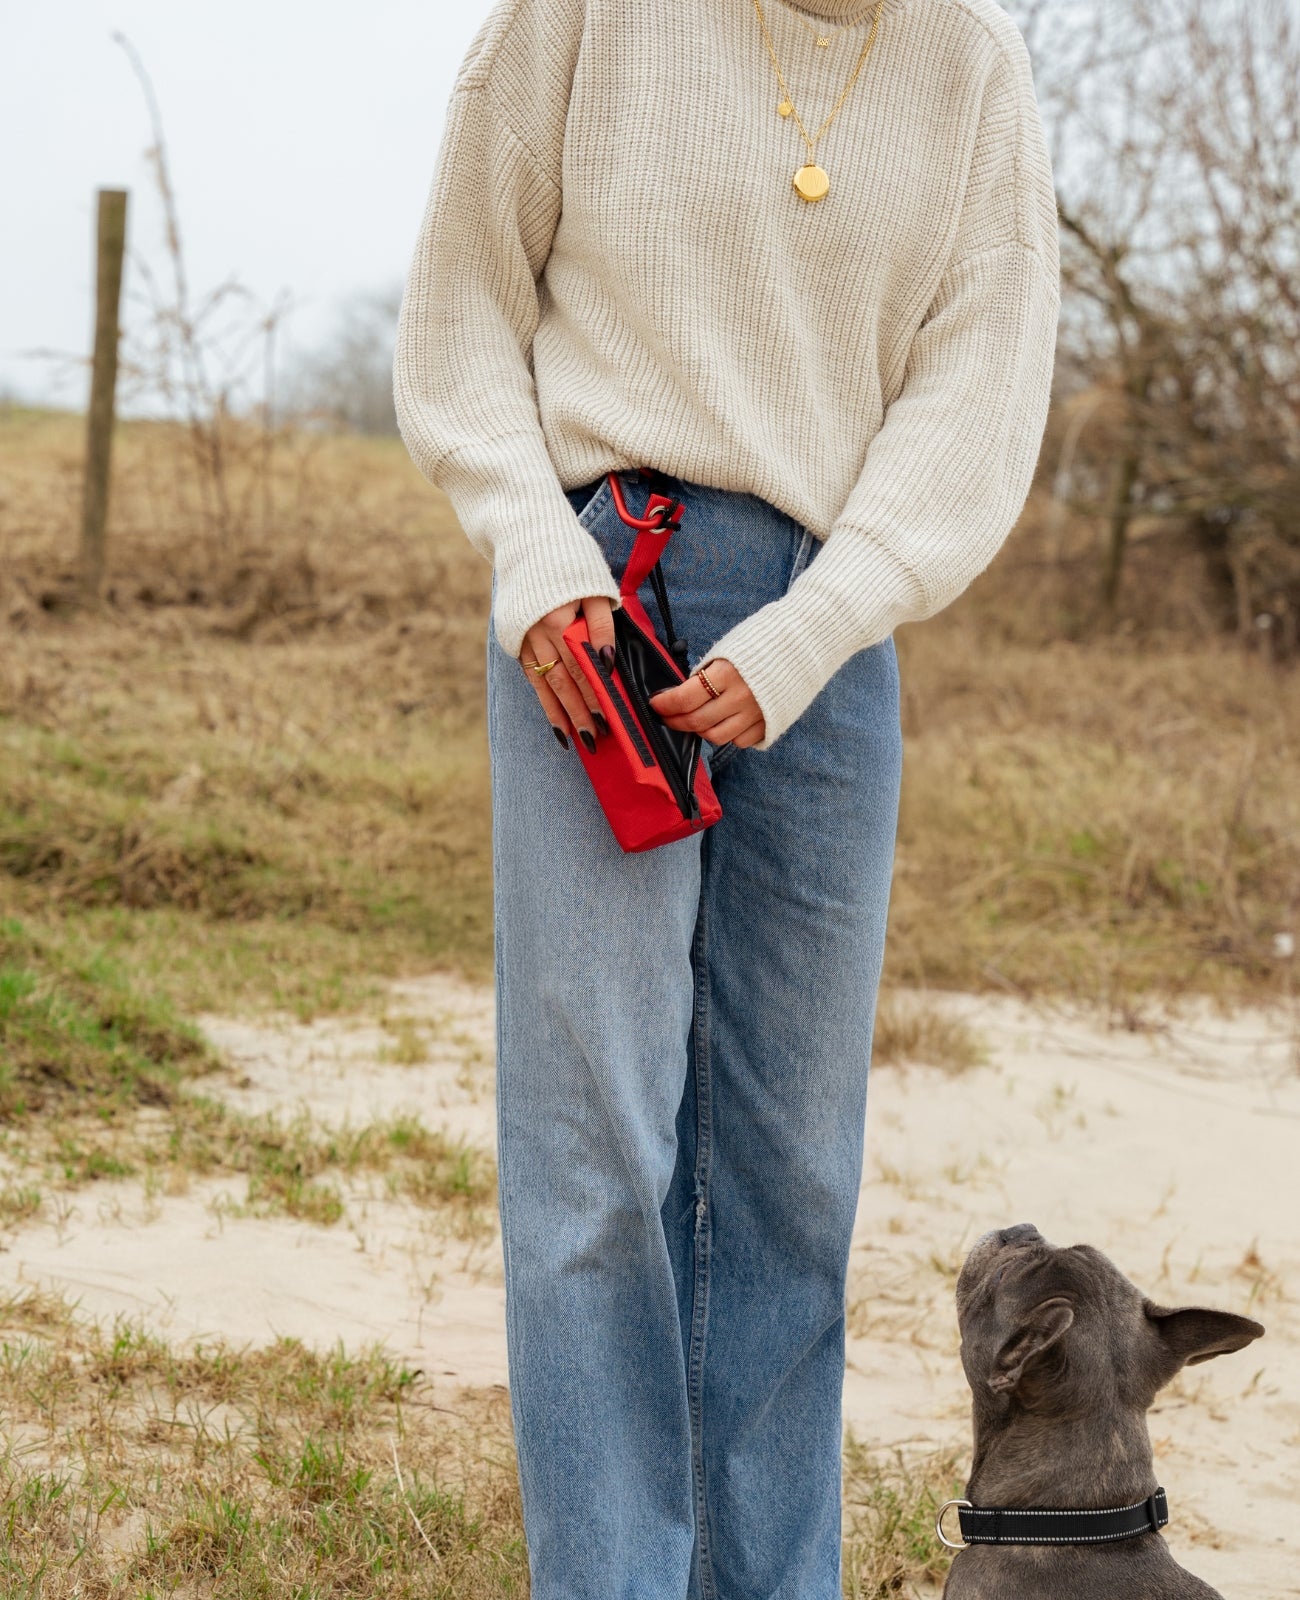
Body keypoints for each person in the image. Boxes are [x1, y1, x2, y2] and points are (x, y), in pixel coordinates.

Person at [393, 0, 1058, 1592]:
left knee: (790, 1167)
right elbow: (462, 318)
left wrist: (821, 624)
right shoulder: (581, 19)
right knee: (595, 1145)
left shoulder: (971, 67)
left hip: (827, 645)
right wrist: (537, 557)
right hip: (593, 610)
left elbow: (979, 389)